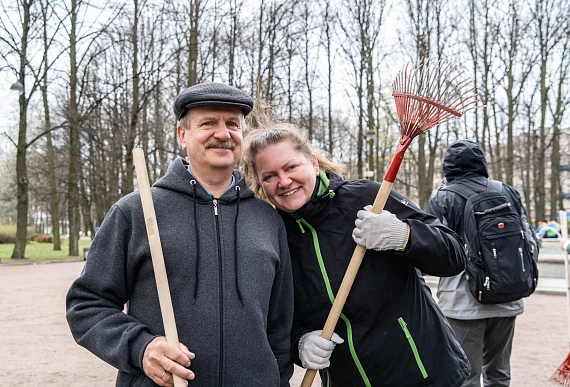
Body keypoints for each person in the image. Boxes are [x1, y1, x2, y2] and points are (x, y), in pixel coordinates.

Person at [66, 83, 294, 387]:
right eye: (208, 123)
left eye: (232, 124)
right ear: (182, 135)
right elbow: (86, 305)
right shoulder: (135, 211)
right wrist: (141, 348)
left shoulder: (267, 219)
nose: (223, 134)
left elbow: (279, 327)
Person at [242, 123, 470, 386]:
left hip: (425, 374)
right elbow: (279, 316)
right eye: (269, 176)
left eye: (291, 167)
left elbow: (454, 254)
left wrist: (403, 236)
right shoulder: (274, 233)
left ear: (313, 164)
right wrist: (299, 343)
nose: (283, 181)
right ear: (260, 184)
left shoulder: (368, 198)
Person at [427, 139, 539, 387]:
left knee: (465, 376)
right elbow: (530, 243)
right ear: (482, 163)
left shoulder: (443, 199)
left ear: (447, 167)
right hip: (508, 296)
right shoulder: (507, 191)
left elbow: (435, 253)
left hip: (462, 304)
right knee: (499, 374)